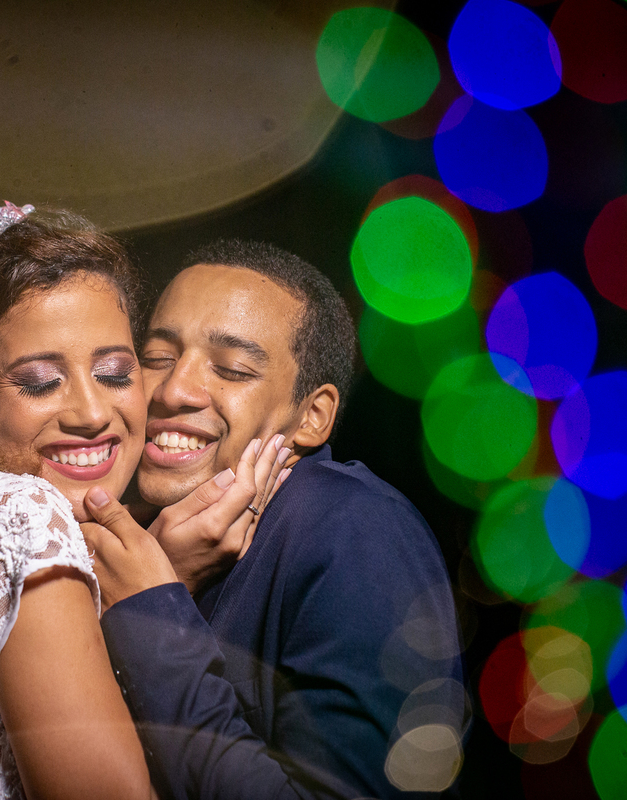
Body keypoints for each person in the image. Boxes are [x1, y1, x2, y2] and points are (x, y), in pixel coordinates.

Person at [0, 205, 284, 800]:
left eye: (116, 373)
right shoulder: (23, 517)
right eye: (40, 381)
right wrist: (154, 604)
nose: (91, 414)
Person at [82, 240, 466, 800]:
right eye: (157, 358)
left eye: (232, 370)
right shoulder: (130, 523)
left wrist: (153, 618)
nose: (171, 389)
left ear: (311, 417)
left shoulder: (353, 527)